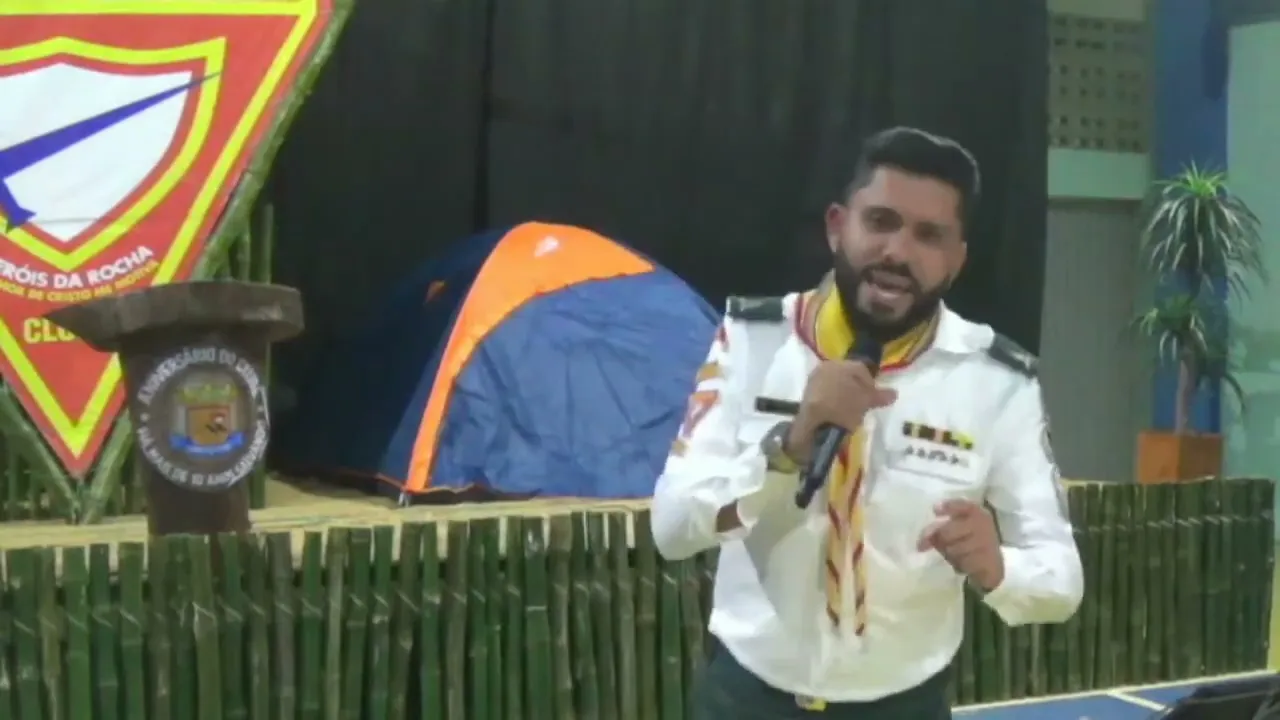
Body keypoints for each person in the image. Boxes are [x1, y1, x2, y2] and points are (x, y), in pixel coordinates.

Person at [652, 127, 1084, 719]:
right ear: (838, 226)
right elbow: (672, 528)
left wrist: (1001, 568)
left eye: (928, 236)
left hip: (904, 705)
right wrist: (786, 448)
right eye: (880, 222)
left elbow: (1062, 580)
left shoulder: (997, 382)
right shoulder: (755, 341)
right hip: (747, 697)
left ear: (957, 260)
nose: (897, 253)